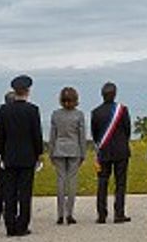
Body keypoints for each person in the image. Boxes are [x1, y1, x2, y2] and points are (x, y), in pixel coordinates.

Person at [0, 75, 44, 237]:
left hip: (9, 155)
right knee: (24, 192)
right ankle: (22, 225)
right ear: (27, 91)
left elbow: (1, 136)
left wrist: (0, 153)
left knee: (9, 192)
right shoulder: (32, 110)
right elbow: (36, 135)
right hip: (27, 156)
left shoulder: (3, 111)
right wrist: (39, 153)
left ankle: (10, 225)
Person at [90, 81, 132, 225]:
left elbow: (95, 134)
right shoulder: (123, 110)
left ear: (102, 95)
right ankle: (119, 214)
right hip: (121, 151)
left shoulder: (95, 112)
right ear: (114, 94)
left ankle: (102, 215)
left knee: (102, 182)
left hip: (104, 151)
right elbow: (127, 130)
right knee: (120, 183)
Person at [49, 86, 89, 225]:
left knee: (60, 181)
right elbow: (81, 136)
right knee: (72, 182)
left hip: (59, 149)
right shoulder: (79, 115)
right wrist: (83, 153)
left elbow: (52, 136)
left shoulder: (55, 114)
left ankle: (60, 214)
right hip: (74, 149)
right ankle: (69, 213)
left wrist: (51, 152)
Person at [0, 91, 16, 226]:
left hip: (1, 150)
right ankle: (10, 212)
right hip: (10, 151)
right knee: (12, 186)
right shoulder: (10, 115)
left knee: (0, 185)